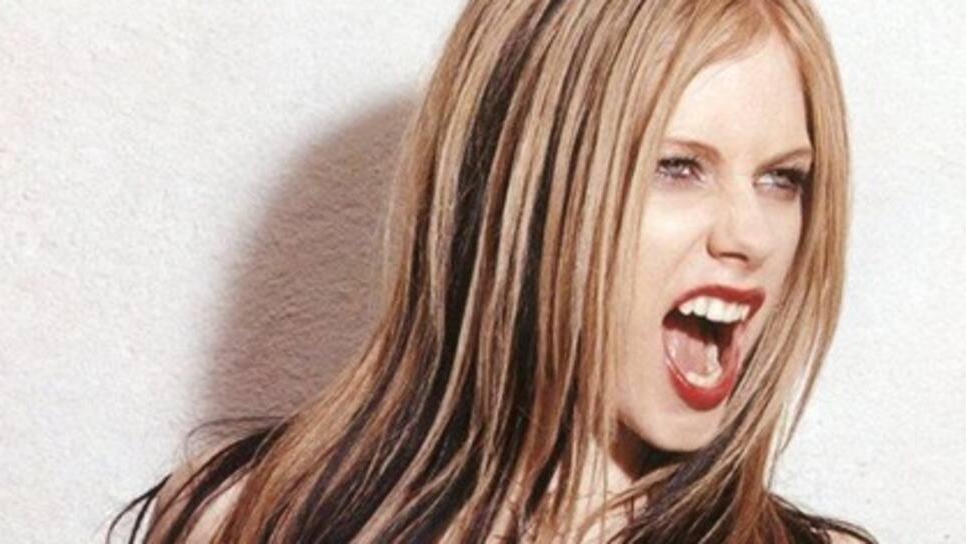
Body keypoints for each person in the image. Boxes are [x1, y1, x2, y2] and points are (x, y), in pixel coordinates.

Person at [112, 0, 873, 542]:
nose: (750, 235)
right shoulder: (245, 518)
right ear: (527, 194)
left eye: (783, 179)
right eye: (677, 167)